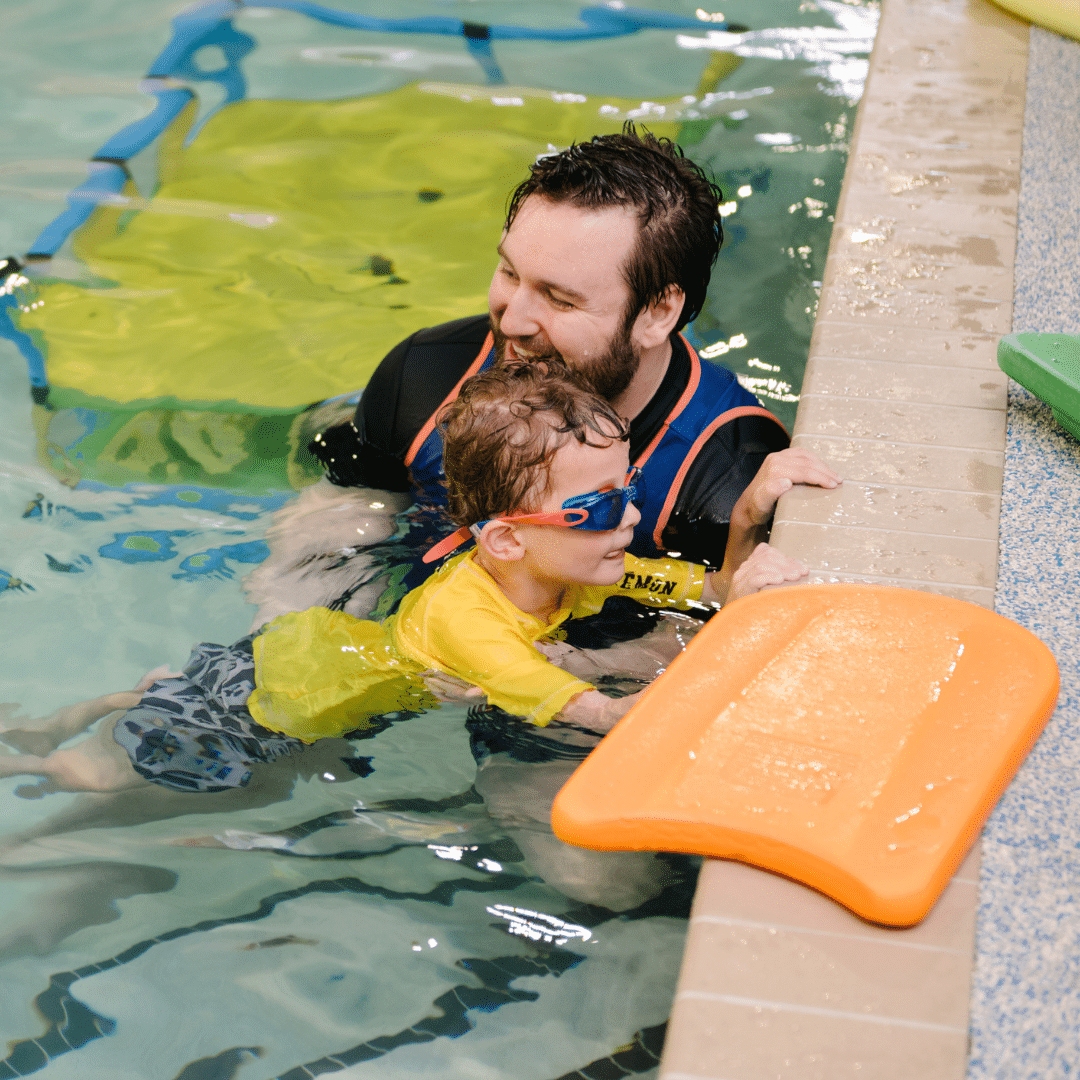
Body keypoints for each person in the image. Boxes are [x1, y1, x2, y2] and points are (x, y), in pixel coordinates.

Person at [0, 362, 837, 797]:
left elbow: (707, 594)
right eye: (596, 508)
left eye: (631, 494)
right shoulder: (477, 629)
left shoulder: (576, 567)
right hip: (275, 702)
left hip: (320, 657)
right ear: (507, 540)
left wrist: (744, 524)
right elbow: (616, 719)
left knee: (152, 695)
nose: (626, 519)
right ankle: (33, 759)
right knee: (99, 776)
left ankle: (53, 723)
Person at [282, 123, 811, 623]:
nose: (511, 321)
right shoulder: (427, 374)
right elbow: (329, 544)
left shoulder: (721, 472)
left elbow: (694, 644)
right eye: (510, 272)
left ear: (656, 314)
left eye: (559, 299)